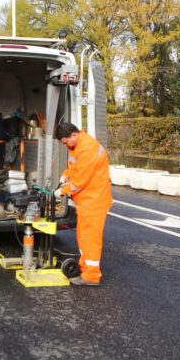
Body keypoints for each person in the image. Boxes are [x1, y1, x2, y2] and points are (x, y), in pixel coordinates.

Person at [54, 122, 112, 287]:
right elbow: (75, 168)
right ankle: (84, 267)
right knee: (83, 237)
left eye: (66, 142)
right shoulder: (77, 146)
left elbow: (80, 180)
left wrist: (63, 191)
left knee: (90, 239)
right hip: (88, 201)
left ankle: (91, 276)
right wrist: (65, 175)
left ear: (74, 135)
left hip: (94, 200)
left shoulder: (88, 149)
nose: (66, 146)